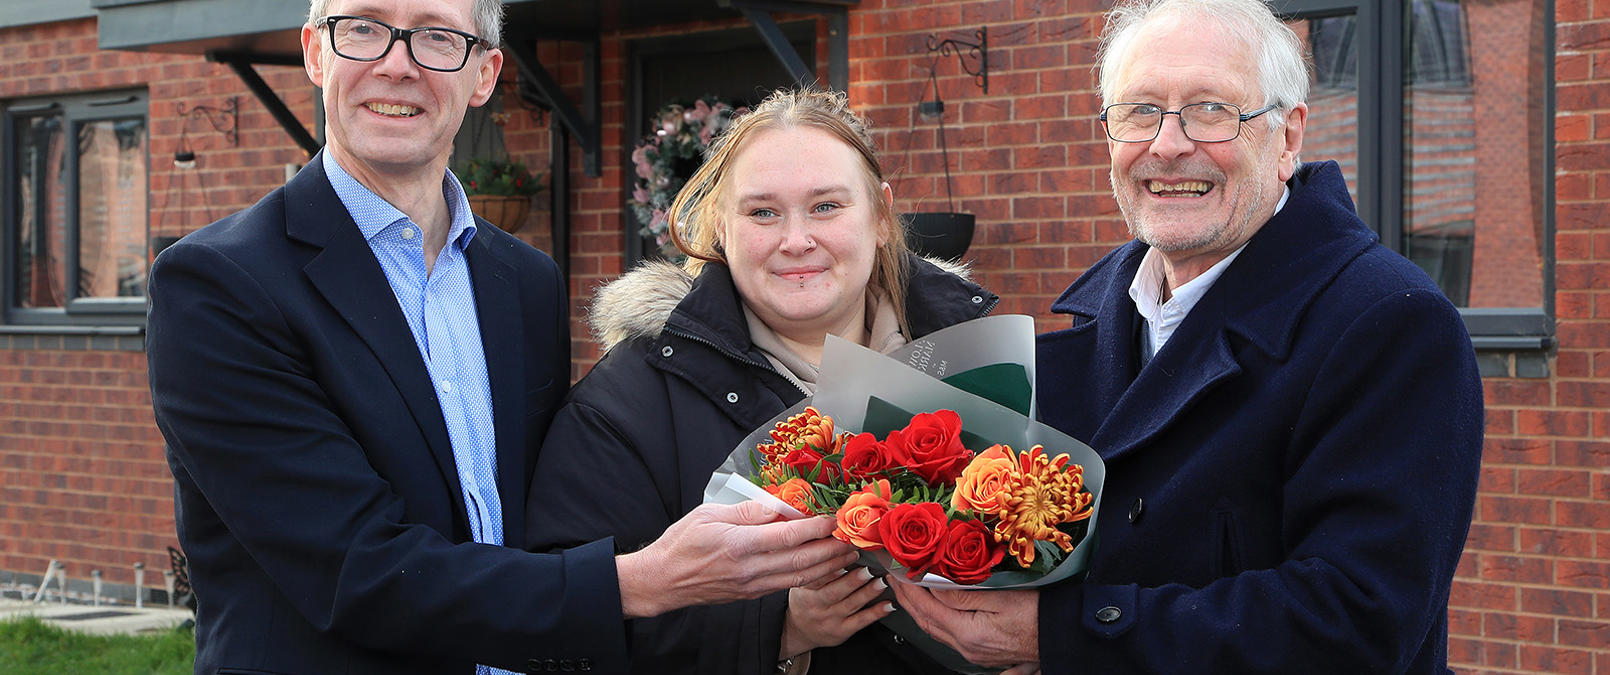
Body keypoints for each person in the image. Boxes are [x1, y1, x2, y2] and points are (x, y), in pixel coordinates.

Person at [145, 2, 855, 673]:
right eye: (363, 29)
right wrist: (638, 580)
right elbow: (353, 571)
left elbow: (546, 519)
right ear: (314, 51)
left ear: (483, 73)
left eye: (436, 36)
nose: (397, 64)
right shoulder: (222, 285)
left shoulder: (523, 281)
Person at [889, 0, 1484, 673]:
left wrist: (1064, 632)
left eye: (1210, 108)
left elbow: (1354, 624)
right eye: (1140, 111)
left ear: (1287, 139)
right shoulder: (1087, 325)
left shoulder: (1390, 323)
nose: (1167, 145)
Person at [525, 88, 996, 674]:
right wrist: (779, 630)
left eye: (826, 206)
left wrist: (1034, 640)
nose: (795, 240)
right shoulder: (623, 408)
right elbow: (565, 634)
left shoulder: (983, 361)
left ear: (880, 216)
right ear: (721, 226)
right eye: (762, 212)